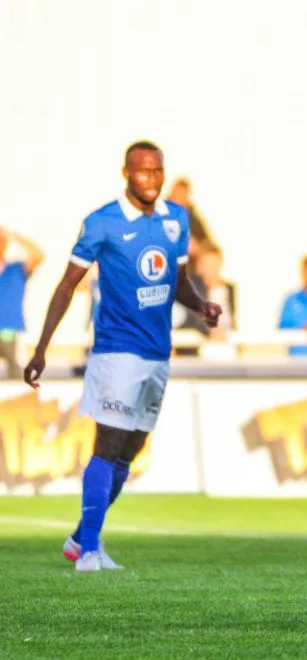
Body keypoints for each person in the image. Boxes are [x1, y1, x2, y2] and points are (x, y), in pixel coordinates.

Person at [23, 141, 221, 571]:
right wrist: (41, 348)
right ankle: (90, 551)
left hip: (157, 352)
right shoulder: (102, 223)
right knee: (108, 443)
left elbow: (178, 278)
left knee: (130, 450)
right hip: (115, 350)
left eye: (157, 171)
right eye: (142, 172)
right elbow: (65, 285)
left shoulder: (176, 219)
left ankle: (80, 537)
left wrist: (200, 304)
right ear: (126, 173)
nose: (150, 179)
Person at [0, 227, 45, 378]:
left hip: (10, 332)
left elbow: (38, 254)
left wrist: (12, 235)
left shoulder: (16, 269)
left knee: (17, 374)